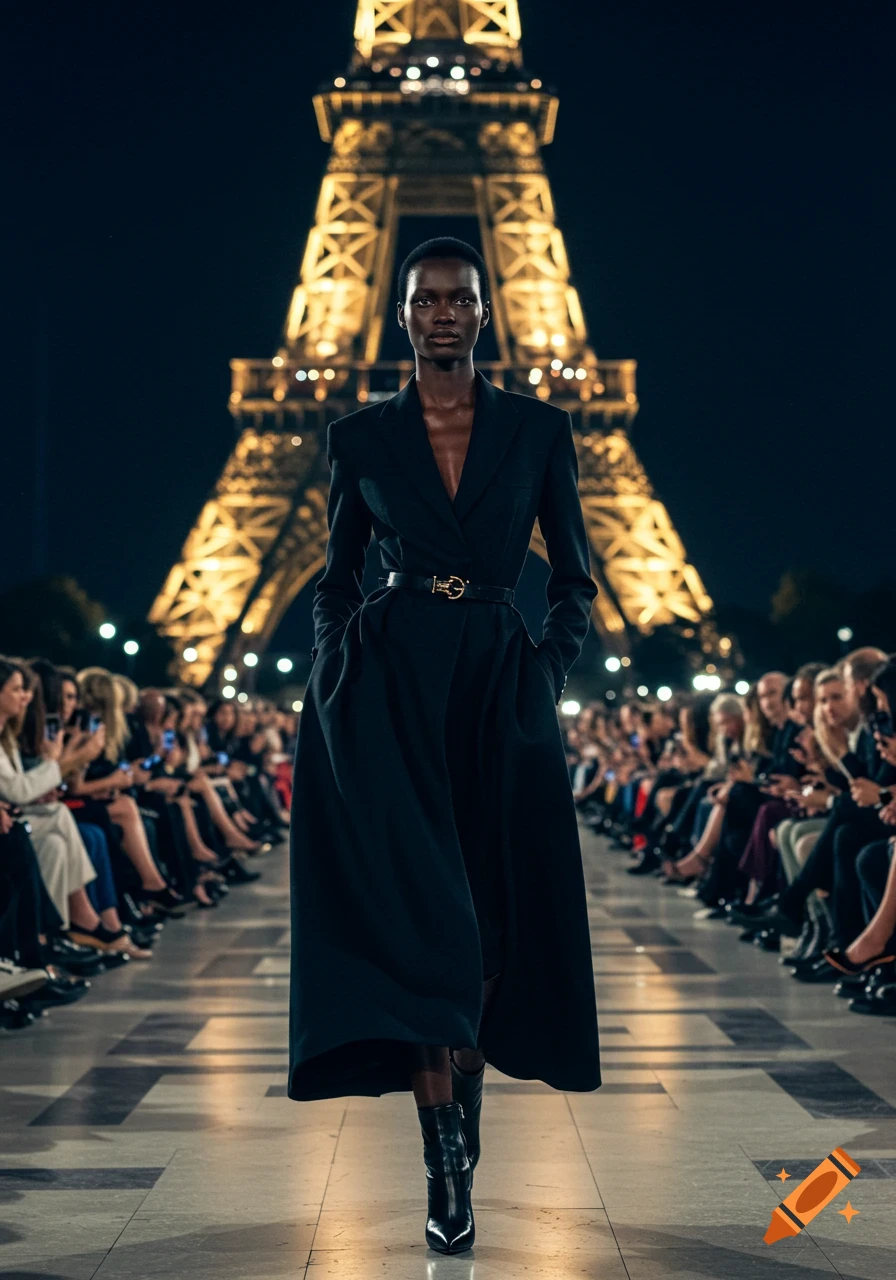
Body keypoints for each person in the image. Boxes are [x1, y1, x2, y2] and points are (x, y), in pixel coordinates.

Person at [288, 237, 601, 1254]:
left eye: (458, 298)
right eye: (424, 298)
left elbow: (576, 580)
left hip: (498, 689)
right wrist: (342, 668)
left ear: (484, 309)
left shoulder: (539, 430)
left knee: (489, 924)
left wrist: (542, 670)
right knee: (424, 926)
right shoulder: (359, 436)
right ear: (399, 312)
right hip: (392, 688)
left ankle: (463, 1119)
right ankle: (444, 1158)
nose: (441, 313)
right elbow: (333, 579)